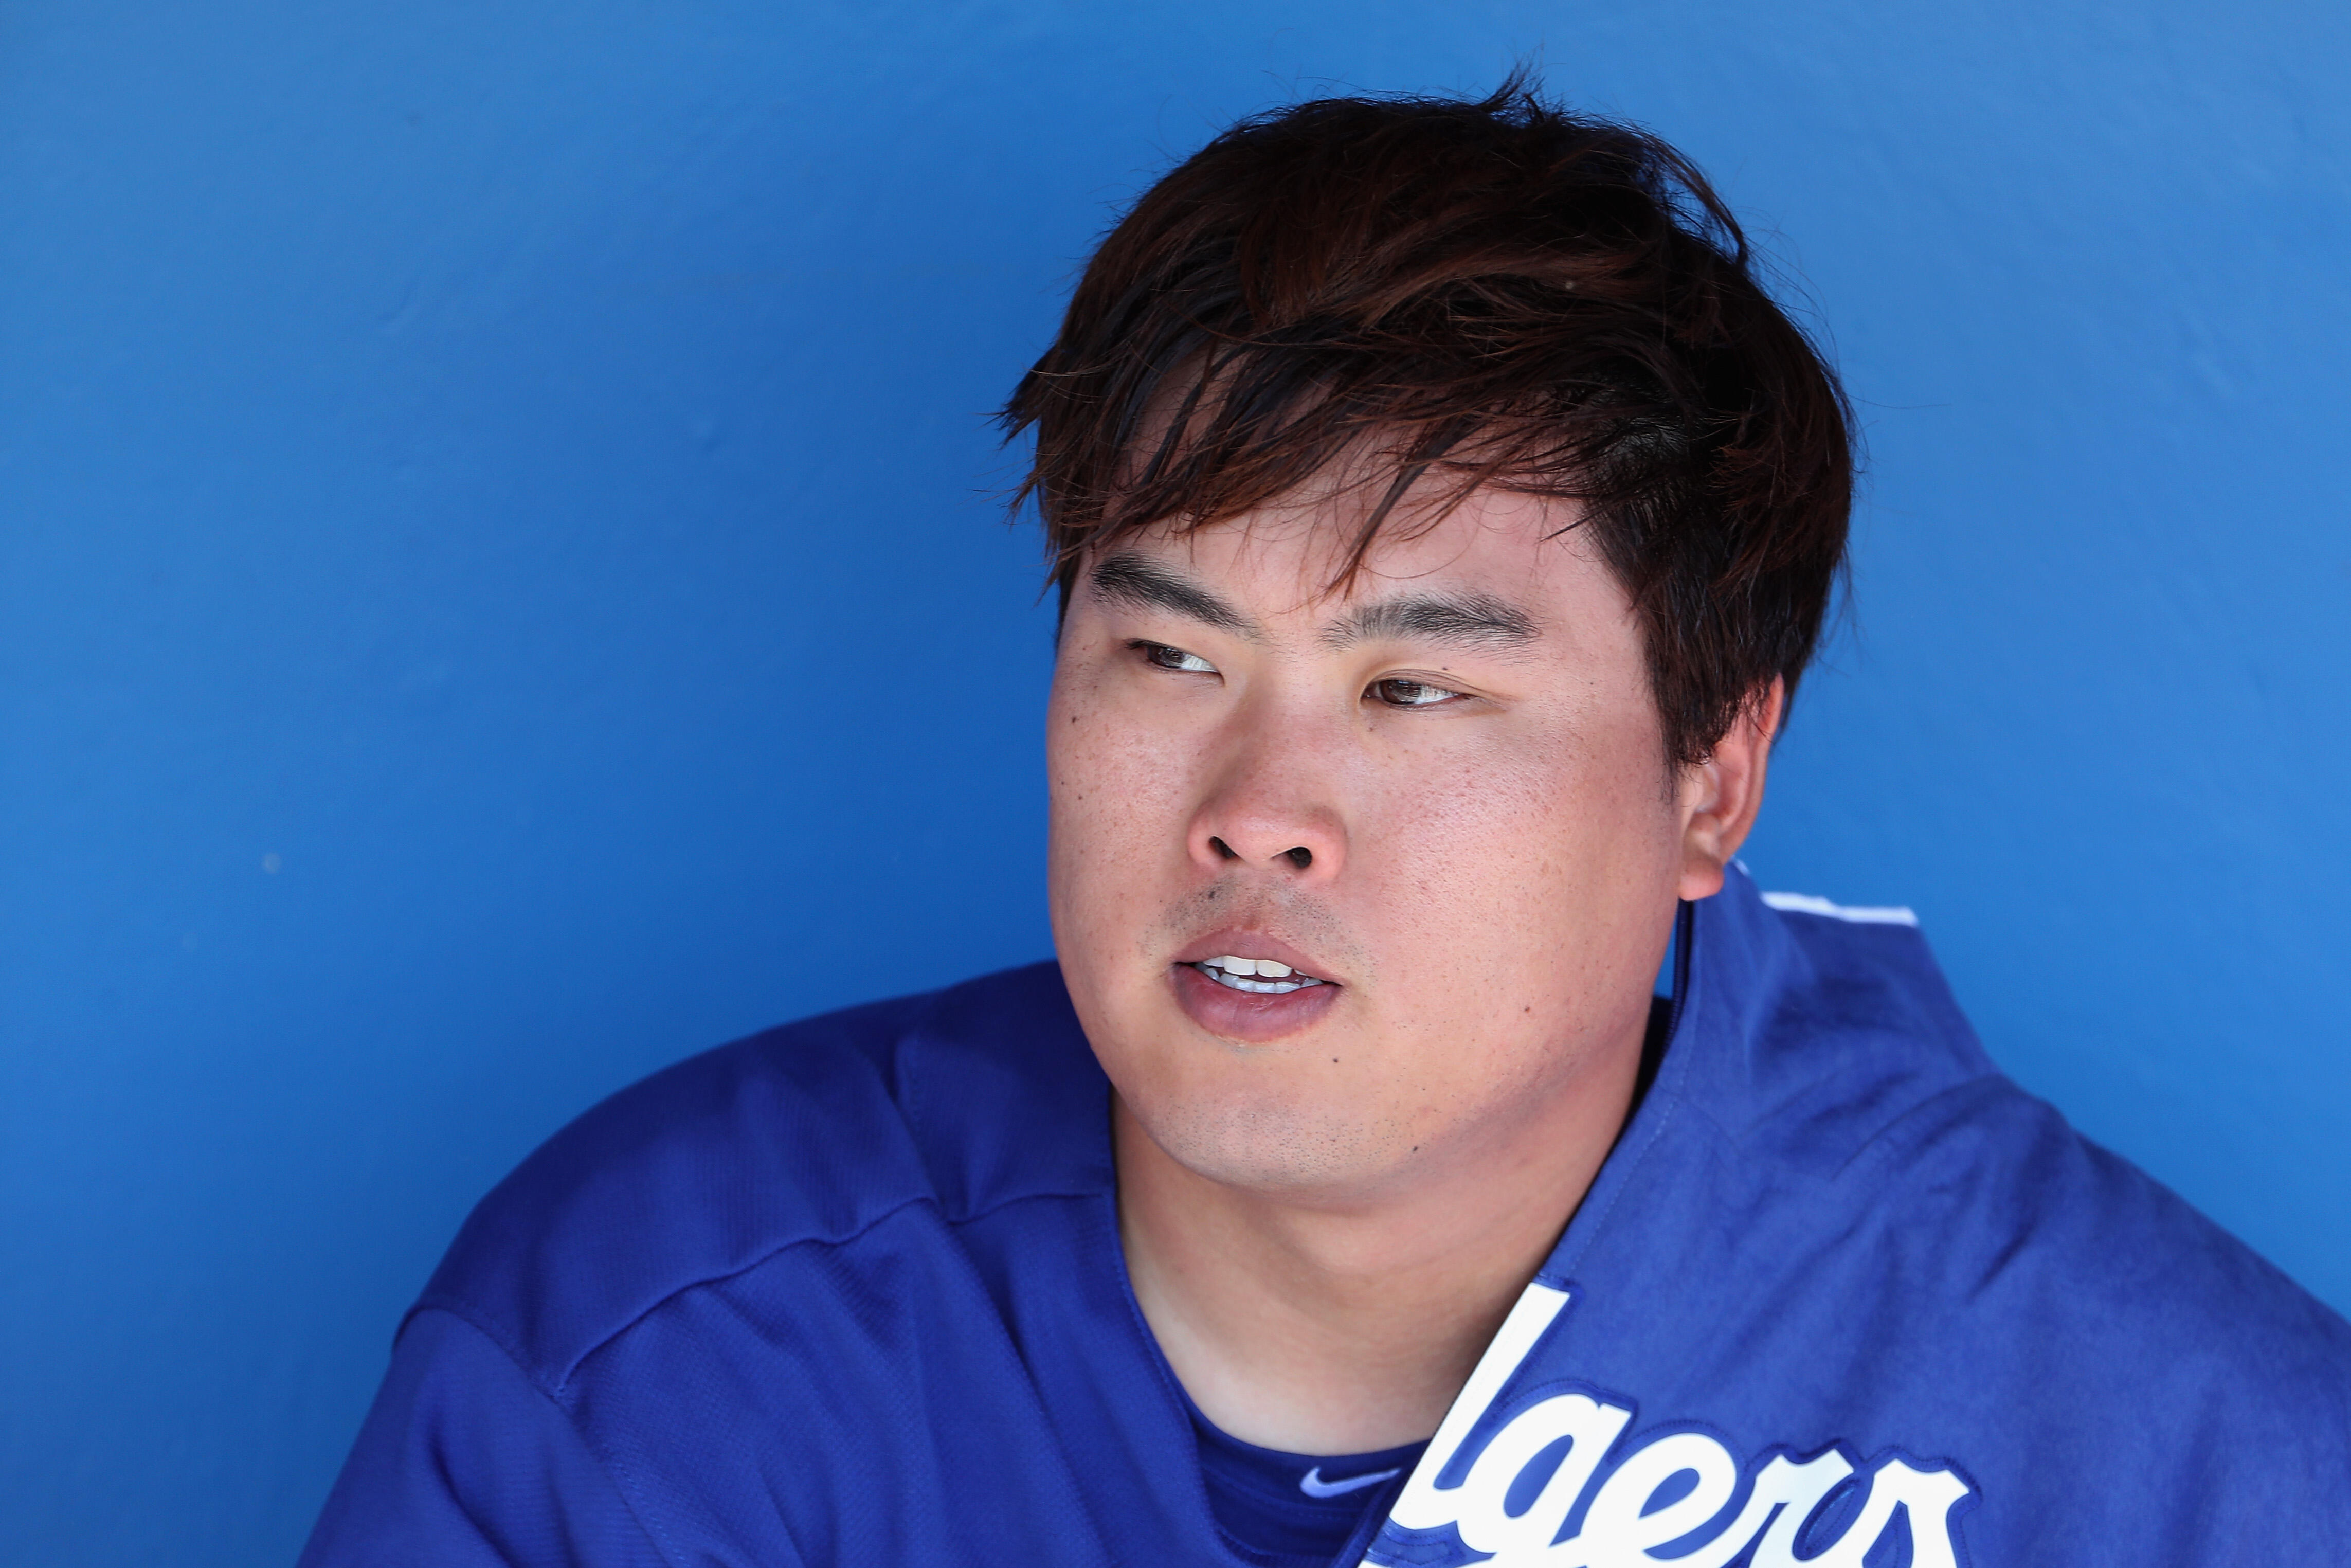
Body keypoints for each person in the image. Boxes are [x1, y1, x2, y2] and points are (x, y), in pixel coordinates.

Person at [300, 81, 2351, 1567]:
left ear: (1711, 781)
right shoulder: (672, 1347)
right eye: (1169, 655)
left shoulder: (2155, 1449)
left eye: (1413, 690)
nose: (1257, 817)